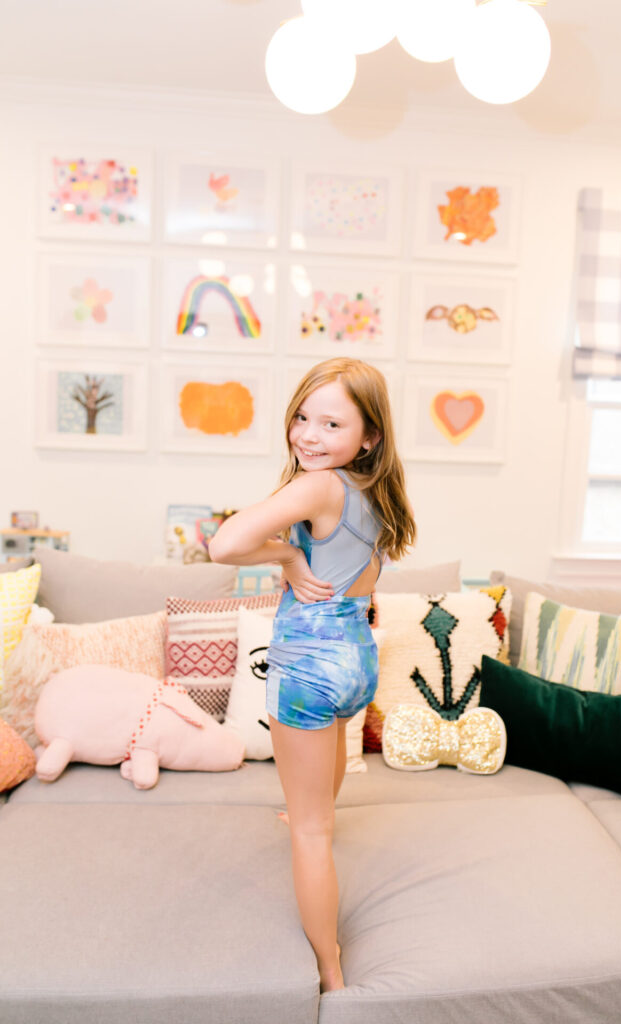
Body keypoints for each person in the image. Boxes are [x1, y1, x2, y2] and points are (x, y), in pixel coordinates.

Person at [209, 357, 416, 993]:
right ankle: (316, 804)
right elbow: (356, 573)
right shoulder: (372, 493)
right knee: (320, 780)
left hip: (307, 664)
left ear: (369, 436)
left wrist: (284, 553)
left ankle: (330, 971)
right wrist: (297, 556)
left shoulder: (318, 486)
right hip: (357, 660)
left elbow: (223, 544)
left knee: (310, 832)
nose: (309, 434)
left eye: (332, 423)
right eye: (303, 416)